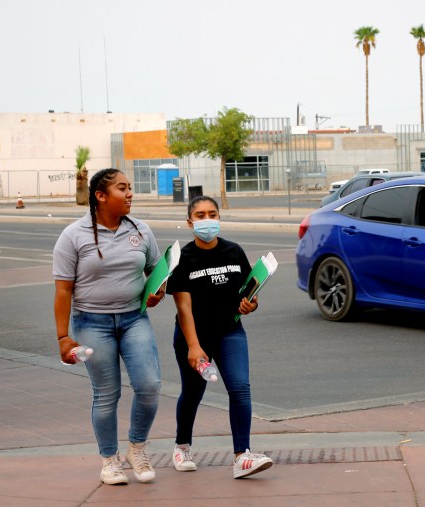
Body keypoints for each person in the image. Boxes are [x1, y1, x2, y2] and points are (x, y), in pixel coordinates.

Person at [53, 168, 166, 486]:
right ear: (101, 196)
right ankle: (109, 460)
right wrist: (64, 337)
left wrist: (157, 292)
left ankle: (137, 448)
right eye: (122, 188)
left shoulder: (141, 230)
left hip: (134, 319)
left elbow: (156, 271)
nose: (130, 193)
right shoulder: (73, 236)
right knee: (106, 394)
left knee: (149, 386)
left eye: (130, 188)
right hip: (92, 323)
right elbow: (63, 291)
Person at [166, 195, 273, 479]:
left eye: (212, 214)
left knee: (239, 388)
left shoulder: (234, 252)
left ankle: (242, 456)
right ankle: (182, 446)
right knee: (193, 392)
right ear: (190, 222)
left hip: (230, 331)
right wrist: (193, 346)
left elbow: (251, 293)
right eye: (200, 215)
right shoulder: (183, 258)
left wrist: (251, 304)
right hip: (193, 337)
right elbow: (183, 307)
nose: (207, 220)